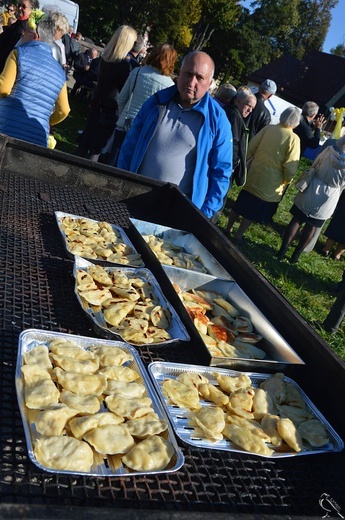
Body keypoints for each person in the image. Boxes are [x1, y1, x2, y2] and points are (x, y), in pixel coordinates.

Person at [117, 51, 233, 219]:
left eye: (199, 78)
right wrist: (121, 184)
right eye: (188, 74)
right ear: (179, 73)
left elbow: (221, 172)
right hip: (135, 200)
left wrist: (202, 215)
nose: (191, 82)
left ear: (209, 84)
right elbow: (130, 145)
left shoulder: (218, 120)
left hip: (177, 213)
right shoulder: (156, 102)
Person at [226, 106, 301, 239]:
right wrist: (286, 180)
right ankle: (238, 235)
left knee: (240, 204)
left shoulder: (268, 128)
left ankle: (228, 227)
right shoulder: (293, 139)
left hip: (254, 173)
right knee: (251, 211)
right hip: (271, 181)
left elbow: (251, 147)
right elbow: (290, 166)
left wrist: (245, 165)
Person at [0, 9, 70, 147]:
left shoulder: (18, 54)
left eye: (25, 32)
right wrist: (45, 119)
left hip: (6, 130)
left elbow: (3, 88)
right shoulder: (60, 72)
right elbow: (64, 110)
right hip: (38, 139)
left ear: (36, 35)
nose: (23, 35)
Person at [104, 43, 178, 166]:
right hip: (146, 130)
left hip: (125, 122)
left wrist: (123, 115)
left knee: (113, 160)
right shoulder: (169, 85)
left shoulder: (137, 72)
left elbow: (122, 98)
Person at [277, 135, 345, 263]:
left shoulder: (329, 149)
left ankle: (283, 249)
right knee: (312, 226)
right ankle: (296, 255)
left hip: (313, 185)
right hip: (329, 195)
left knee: (296, 219)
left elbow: (315, 163)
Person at [85, 25, 138, 162]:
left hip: (97, 103)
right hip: (111, 109)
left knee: (89, 142)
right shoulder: (123, 65)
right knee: (98, 149)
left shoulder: (105, 58)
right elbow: (124, 90)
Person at [225, 90, 257, 187]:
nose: (250, 110)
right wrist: (233, 166)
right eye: (248, 105)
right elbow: (233, 143)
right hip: (226, 167)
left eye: (252, 108)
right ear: (238, 101)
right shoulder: (234, 117)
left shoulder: (232, 112)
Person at [0, 0, 39, 73]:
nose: (20, 8)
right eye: (19, 5)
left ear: (32, 10)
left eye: (23, 6)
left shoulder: (26, 29)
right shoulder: (18, 23)